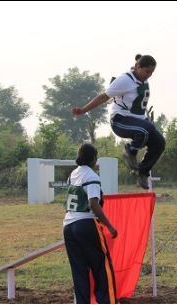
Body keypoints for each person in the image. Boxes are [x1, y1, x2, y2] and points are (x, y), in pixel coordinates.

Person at [71, 54, 166, 190]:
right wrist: (84, 110)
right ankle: (130, 151)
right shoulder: (124, 80)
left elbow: (137, 99)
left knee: (159, 143)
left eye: (152, 72)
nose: (149, 75)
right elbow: (104, 96)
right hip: (120, 120)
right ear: (138, 67)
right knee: (145, 130)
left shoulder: (140, 76)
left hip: (138, 121)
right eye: (147, 71)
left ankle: (142, 172)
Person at [63, 143, 118, 304]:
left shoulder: (73, 174)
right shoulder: (91, 176)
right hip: (86, 223)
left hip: (68, 225)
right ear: (94, 159)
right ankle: (107, 301)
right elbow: (93, 203)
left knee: (79, 270)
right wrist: (109, 226)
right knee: (102, 267)